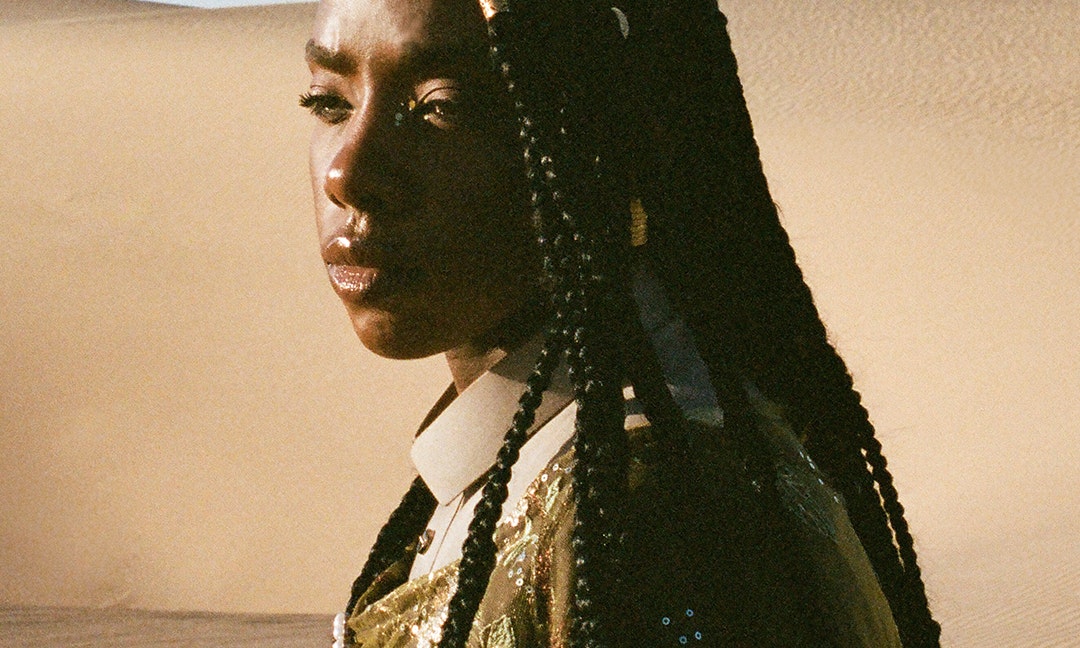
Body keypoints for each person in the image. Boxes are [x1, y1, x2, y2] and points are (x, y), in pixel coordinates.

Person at [302, 0, 942, 645]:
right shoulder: (559, 467)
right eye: (328, 104)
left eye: (443, 106)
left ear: (610, 137)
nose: (346, 174)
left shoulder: (658, 519)